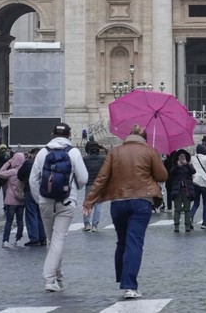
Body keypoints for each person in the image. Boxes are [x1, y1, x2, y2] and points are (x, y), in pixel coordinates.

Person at [83, 123, 169, 301]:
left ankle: (123, 279)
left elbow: (102, 177)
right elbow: (162, 176)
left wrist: (89, 200)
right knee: (134, 243)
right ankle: (129, 285)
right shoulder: (150, 151)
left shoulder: (115, 151)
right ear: (144, 138)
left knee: (122, 242)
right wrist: (156, 158)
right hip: (141, 201)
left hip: (118, 202)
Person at [29, 122, 88, 293]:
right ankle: (49, 279)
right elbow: (83, 178)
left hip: (45, 201)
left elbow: (33, 180)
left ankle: (58, 276)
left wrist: (39, 198)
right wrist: (74, 187)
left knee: (51, 240)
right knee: (58, 239)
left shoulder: (42, 152)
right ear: (70, 136)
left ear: (52, 134)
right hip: (66, 201)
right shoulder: (74, 152)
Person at [0, 151, 27, 247]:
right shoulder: (24, 172)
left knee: (9, 221)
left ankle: (5, 240)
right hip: (21, 199)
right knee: (20, 221)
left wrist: (8, 163)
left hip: (10, 199)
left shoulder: (13, 171)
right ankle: (18, 239)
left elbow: (0, 173)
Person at [18, 148, 47, 246]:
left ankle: (34, 238)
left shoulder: (28, 163)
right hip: (43, 191)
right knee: (41, 214)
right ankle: (43, 237)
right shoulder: (46, 162)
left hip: (30, 190)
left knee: (31, 214)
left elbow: (20, 175)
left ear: (32, 154)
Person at [189, 141, 206, 229]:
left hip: (195, 182)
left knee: (196, 203)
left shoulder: (193, 158)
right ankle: (204, 222)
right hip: (205, 183)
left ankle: (190, 217)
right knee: (205, 203)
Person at [167, 150, 196, 233]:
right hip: (177, 190)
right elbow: (171, 173)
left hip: (187, 190)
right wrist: (177, 166)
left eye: (183, 157)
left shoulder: (189, 165)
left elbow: (193, 171)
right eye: (180, 157)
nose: (182, 158)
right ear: (177, 158)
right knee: (177, 209)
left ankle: (187, 225)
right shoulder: (175, 165)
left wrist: (186, 164)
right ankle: (176, 226)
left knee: (187, 209)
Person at [82, 142, 106, 232]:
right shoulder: (103, 158)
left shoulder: (85, 159)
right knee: (98, 205)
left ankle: (87, 224)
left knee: (87, 204)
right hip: (99, 184)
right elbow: (111, 157)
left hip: (89, 184)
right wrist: (104, 148)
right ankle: (95, 225)